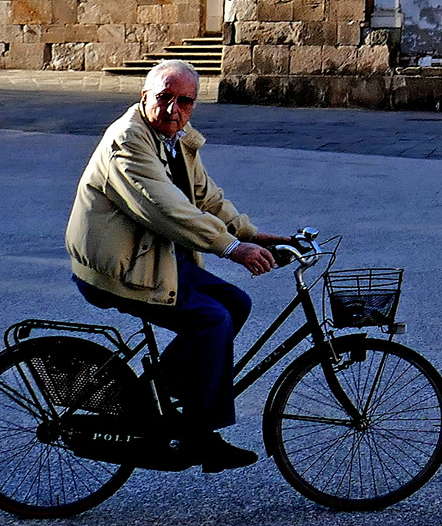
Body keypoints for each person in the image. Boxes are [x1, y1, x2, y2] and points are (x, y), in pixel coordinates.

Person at [65, 59, 289, 472]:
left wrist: (249, 233)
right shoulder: (127, 143)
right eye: (164, 99)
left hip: (154, 258)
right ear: (144, 97)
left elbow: (204, 196)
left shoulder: (176, 138)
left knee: (236, 303)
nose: (174, 110)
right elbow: (164, 208)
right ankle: (199, 436)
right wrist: (230, 248)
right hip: (122, 268)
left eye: (185, 102)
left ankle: (156, 395)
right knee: (212, 320)